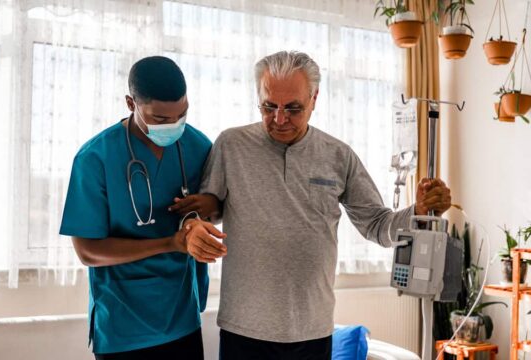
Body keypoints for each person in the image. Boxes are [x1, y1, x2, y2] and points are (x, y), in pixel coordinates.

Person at [170, 51, 452, 360]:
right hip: (244, 329)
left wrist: (419, 211)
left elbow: (377, 225)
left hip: (313, 332)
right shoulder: (231, 145)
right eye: (269, 107)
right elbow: (204, 209)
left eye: (293, 108)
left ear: (314, 99)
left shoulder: (338, 156)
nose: (279, 119)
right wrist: (193, 225)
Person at [60, 56, 216, 360]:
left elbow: (217, 211)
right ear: (131, 103)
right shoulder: (96, 158)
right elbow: (87, 251)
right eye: (159, 119)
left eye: (181, 115)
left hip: (181, 316)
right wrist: (169, 243)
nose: (173, 126)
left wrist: (207, 208)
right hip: (123, 323)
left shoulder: (199, 147)